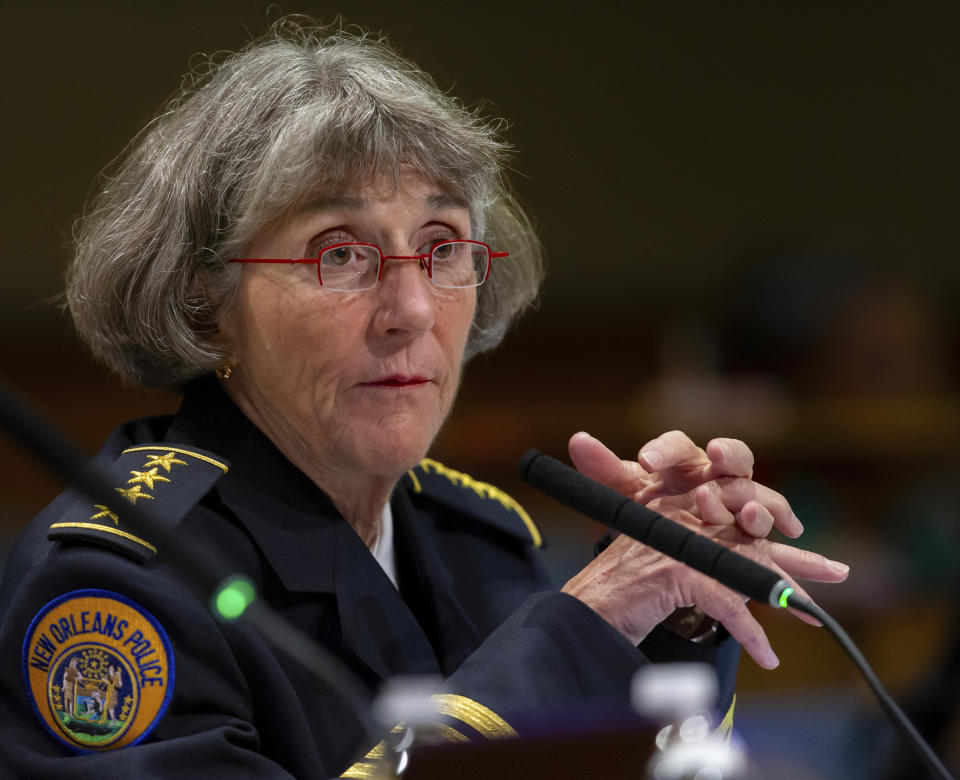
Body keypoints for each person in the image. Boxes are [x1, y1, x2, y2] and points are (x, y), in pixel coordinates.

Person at [0, 18, 848, 778]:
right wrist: (583, 624)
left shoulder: (479, 542)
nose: (410, 311)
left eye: (442, 248)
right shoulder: (117, 584)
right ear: (204, 304)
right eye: (340, 255)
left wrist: (673, 606)